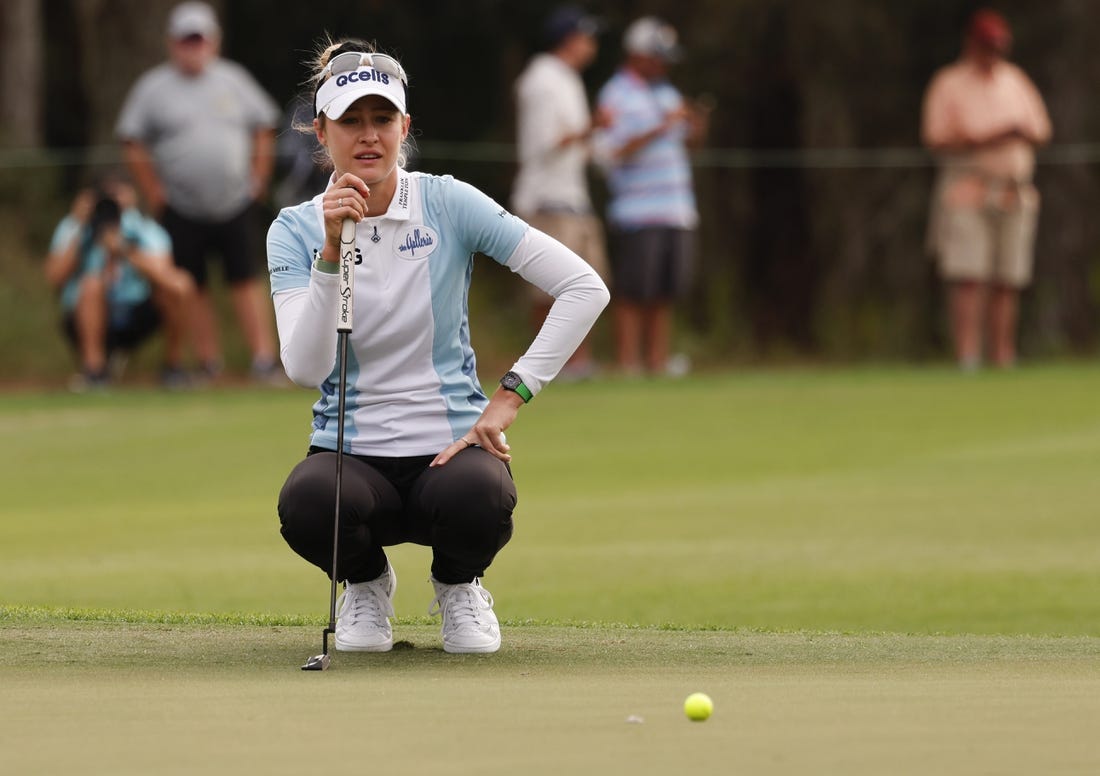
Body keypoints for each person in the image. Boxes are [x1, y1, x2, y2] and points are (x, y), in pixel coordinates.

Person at [268, 39, 609, 654]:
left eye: (382, 119)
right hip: (350, 458)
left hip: (448, 452)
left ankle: (459, 585)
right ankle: (366, 584)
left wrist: (510, 396)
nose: (368, 136)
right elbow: (304, 367)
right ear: (321, 130)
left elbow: (584, 287)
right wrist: (328, 253)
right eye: (351, 121)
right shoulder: (293, 229)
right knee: (307, 502)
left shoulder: (447, 202)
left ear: (405, 125)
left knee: (481, 496)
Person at [116, 0, 283, 383]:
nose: (193, 47)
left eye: (199, 39)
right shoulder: (153, 87)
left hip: (235, 202)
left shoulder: (234, 79)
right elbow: (132, 140)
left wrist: (258, 178)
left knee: (245, 280)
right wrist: (153, 192)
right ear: (172, 43)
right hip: (180, 207)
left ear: (213, 42)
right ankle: (208, 363)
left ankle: (263, 361)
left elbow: (264, 125)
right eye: (185, 40)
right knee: (193, 286)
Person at [922, 8, 1052, 370]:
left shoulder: (1015, 81)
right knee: (968, 276)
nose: (993, 53)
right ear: (972, 43)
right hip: (968, 190)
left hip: (1015, 192)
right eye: (987, 46)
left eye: (999, 46)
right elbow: (935, 137)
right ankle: (967, 356)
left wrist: (1017, 133)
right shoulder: (948, 83)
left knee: (1007, 279)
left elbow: (1041, 129)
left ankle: (1003, 356)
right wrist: (986, 137)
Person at [593, 16, 707, 377]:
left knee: (663, 290)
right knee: (632, 290)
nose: (664, 64)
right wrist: (662, 125)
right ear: (638, 54)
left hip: (676, 209)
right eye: (658, 56)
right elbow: (613, 151)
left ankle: (657, 362)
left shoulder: (665, 92)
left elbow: (688, 144)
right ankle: (628, 363)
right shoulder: (615, 94)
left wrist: (696, 126)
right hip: (636, 210)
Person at [511, 5, 610, 380]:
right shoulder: (541, 79)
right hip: (546, 198)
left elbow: (578, 143)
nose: (592, 44)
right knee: (549, 289)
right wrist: (592, 127)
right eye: (587, 37)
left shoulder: (567, 78)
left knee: (587, 284)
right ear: (570, 39)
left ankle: (577, 365)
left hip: (573, 198)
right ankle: (542, 369)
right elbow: (543, 144)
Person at [44, 175, 195, 390]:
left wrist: (124, 249)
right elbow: (54, 277)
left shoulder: (143, 229)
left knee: (182, 284)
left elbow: (171, 281)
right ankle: (94, 371)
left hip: (137, 310)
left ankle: (173, 367)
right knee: (91, 284)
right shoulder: (74, 227)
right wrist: (82, 229)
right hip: (84, 312)